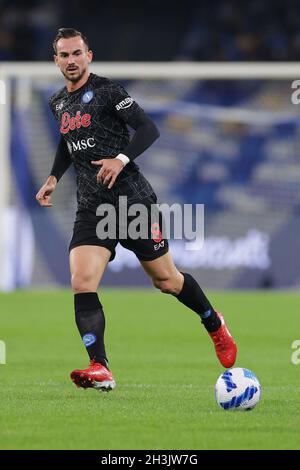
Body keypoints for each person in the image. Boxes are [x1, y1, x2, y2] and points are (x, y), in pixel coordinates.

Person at [36, 28, 237, 393]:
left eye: (76, 53)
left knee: (166, 281)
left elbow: (148, 128)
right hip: (92, 206)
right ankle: (100, 366)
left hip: (132, 202)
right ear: (56, 60)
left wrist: (120, 158)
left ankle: (213, 321)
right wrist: (53, 177)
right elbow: (69, 144)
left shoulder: (109, 91)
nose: (71, 61)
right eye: (64, 55)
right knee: (82, 281)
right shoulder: (57, 103)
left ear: (89, 55)